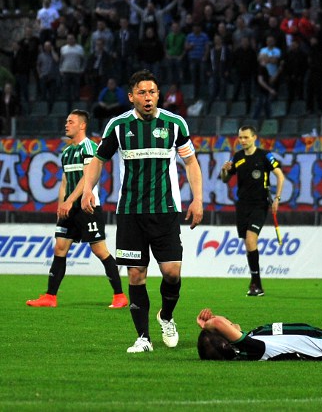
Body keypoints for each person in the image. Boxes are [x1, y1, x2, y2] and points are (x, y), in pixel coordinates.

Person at [81, 69, 204, 354]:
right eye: (142, 93)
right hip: (130, 213)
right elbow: (98, 160)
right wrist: (88, 189)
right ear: (131, 96)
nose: (147, 98)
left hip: (165, 210)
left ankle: (166, 316)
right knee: (136, 275)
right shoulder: (118, 126)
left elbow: (191, 163)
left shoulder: (174, 124)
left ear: (158, 95)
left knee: (171, 273)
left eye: (152, 92)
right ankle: (143, 338)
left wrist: (197, 199)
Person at [26, 110, 128, 309]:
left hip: (87, 207)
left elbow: (87, 179)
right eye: (66, 121)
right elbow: (64, 181)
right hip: (69, 208)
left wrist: (70, 201)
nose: (66, 124)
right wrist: (61, 205)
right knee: (59, 248)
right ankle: (50, 296)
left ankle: (120, 295)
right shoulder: (66, 152)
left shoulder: (89, 147)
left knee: (99, 250)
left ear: (82, 125)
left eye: (71, 122)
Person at [219, 126, 286, 297]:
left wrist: (277, 198)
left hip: (259, 205)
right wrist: (224, 170)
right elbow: (225, 179)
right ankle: (255, 282)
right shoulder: (237, 157)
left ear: (254, 137)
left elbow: (280, 176)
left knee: (250, 240)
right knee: (248, 245)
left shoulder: (265, 156)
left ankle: (256, 283)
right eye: (240, 137)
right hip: (242, 205)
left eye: (246, 137)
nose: (242, 140)